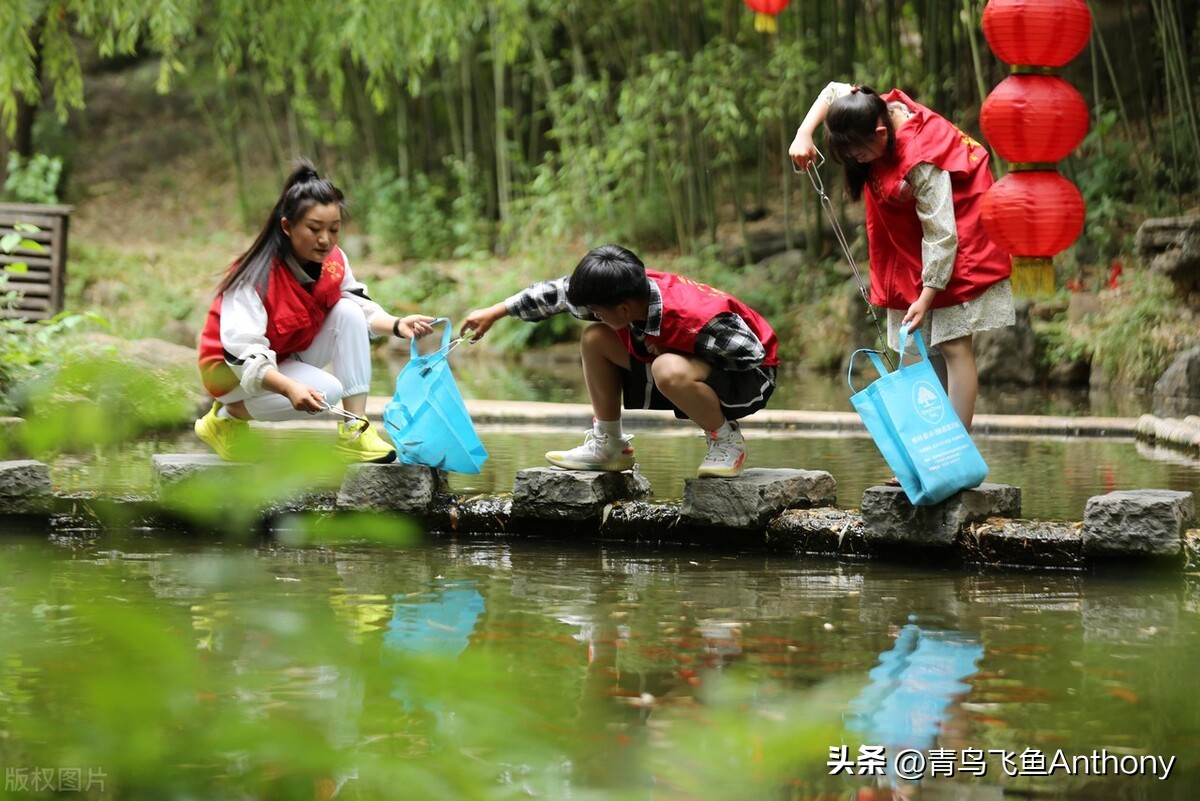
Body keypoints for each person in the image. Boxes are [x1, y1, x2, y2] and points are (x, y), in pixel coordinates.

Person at [789, 82, 1014, 430]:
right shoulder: (865, 107)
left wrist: (927, 296)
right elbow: (833, 90)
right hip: (908, 238)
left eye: (859, 155)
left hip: (958, 234)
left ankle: (954, 455)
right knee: (912, 347)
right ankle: (923, 451)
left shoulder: (921, 158)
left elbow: (942, 234)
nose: (856, 163)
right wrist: (804, 133)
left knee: (953, 346)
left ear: (881, 133)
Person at [460, 244, 778, 477]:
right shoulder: (622, 291)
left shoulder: (697, 318)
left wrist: (686, 355)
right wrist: (495, 312)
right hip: (688, 361)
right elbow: (556, 294)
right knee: (595, 339)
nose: (592, 314)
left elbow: (752, 354)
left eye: (598, 311)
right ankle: (610, 444)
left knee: (666, 368)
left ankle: (726, 440)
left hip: (751, 377)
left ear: (623, 309)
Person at [195, 158, 436, 463]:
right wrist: (290, 387)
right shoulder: (253, 277)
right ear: (287, 226)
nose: (325, 240)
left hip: (285, 352)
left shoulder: (334, 261)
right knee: (328, 390)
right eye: (314, 229)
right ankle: (225, 417)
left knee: (346, 311)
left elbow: (356, 304)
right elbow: (243, 355)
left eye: (334, 229)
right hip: (232, 375)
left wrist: (398, 324)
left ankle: (355, 432)